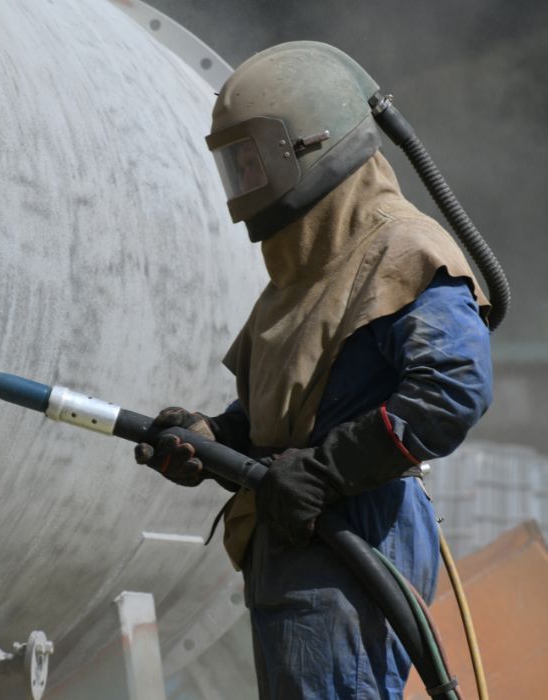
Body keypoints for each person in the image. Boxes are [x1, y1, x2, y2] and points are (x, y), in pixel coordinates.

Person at [134, 41, 493, 699]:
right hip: (303, 536)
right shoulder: (303, 277)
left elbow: (453, 390)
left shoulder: (403, 250)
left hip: (357, 532)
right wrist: (214, 434)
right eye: (232, 165)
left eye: (251, 161)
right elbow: (303, 406)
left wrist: (326, 473)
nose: (243, 180)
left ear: (307, 148)